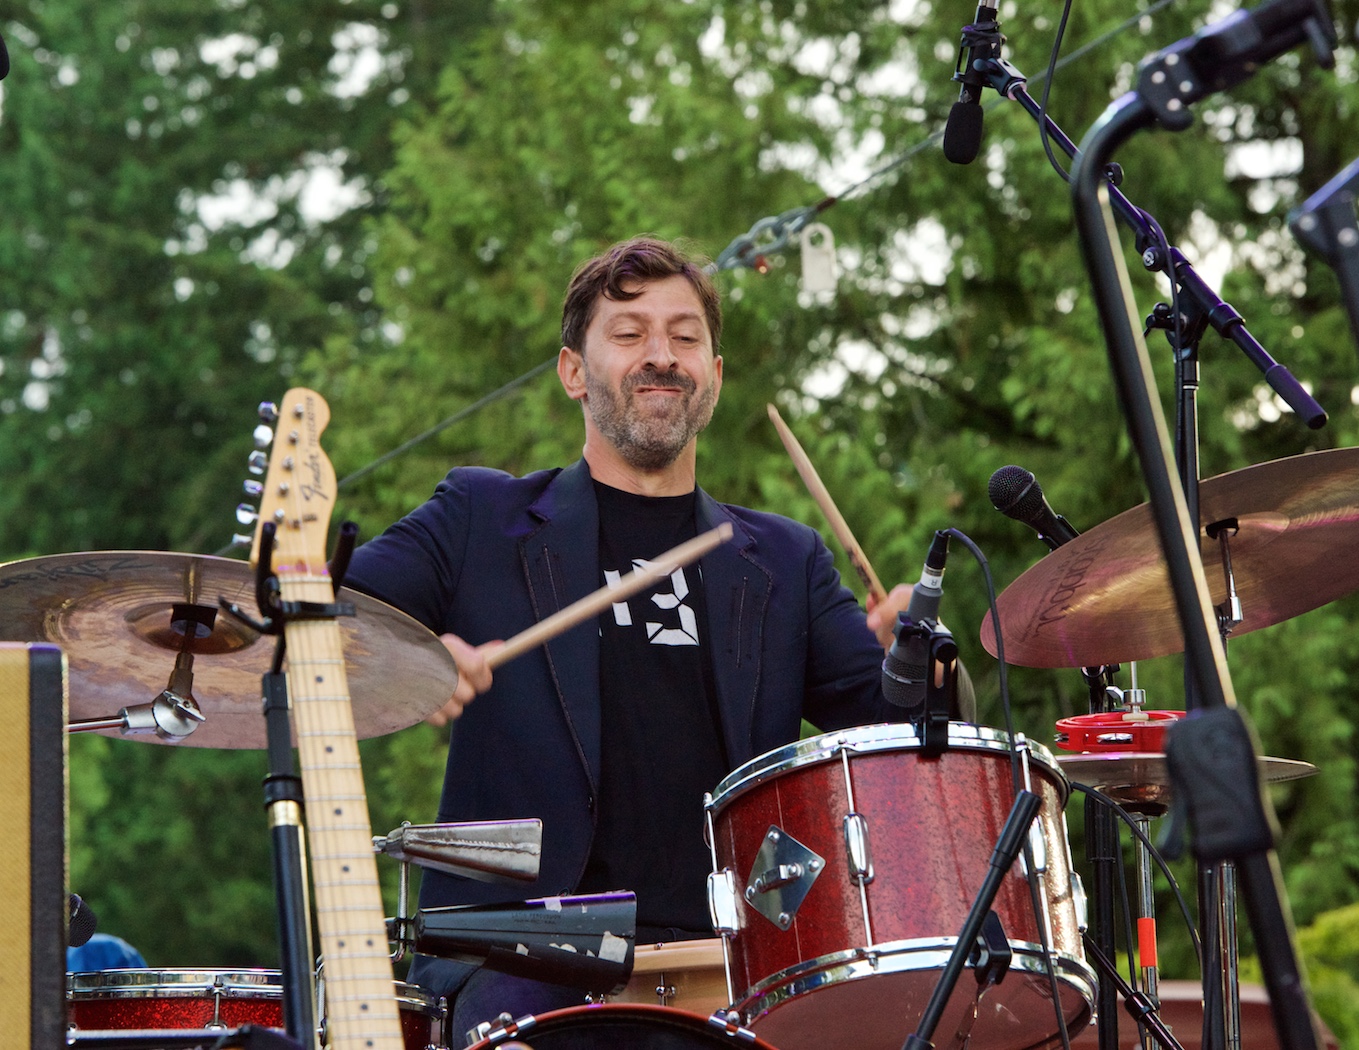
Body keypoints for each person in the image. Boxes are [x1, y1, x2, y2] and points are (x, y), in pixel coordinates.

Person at [343, 236, 961, 1037]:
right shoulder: (480, 520)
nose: (660, 356)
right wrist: (414, 657)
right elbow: (323, 605)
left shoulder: (782, 559)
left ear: (713, 375)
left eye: (684, 336)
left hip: (734, 961)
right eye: (629, 334)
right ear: (574, 371)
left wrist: (917, 654)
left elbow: (903, 741)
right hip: (524, 961)